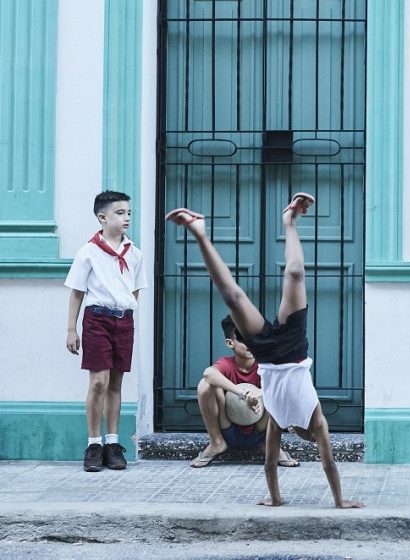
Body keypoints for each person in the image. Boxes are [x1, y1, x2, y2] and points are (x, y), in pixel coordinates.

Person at [165, 192, 362, 509]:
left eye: (311, 438)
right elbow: (329, 464)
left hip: (268, 356)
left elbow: (270, 465)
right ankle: (290, 221)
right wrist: (340, 502)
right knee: (295, 273)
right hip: (294, 348)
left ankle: (198, 231)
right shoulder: (317, 418)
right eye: (314, 437)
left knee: (233, 298)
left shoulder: (279, 420)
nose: (313, 436)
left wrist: (275, 499)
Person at [65, 190, 149, 472]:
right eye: (120, 213)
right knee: (98, 382)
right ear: (102, 217)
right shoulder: (88, 252)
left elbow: (135, 290)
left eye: (128, 213)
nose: (126, 218)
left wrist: (124, 312)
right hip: (96, 319)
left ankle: (112, 444)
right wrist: (71, 330)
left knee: (115, 383)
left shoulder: (134, 254)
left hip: (123, 321)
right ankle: (93, 443)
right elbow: (77, 292)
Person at [191, 315, 299, 469]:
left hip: (260, 429)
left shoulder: (266, 364)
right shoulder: (227, 364)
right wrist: (243, 394)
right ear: (230, 343)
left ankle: (269, 444)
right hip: (228, 428)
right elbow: (209, 374)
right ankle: (216, 443)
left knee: (280, 384)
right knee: (205, 385)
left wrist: (260, 395)